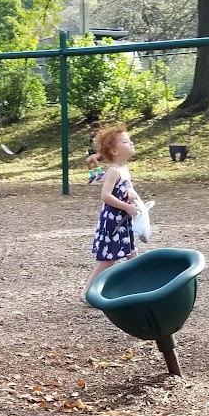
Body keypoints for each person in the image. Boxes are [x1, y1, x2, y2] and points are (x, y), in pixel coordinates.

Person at [86, 123, 145, 292]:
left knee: (132, 253)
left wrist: (131, 193)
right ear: (114, 151)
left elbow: (126, 187)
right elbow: (105, 195)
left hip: (124, 221)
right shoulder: (113, 171)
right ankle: (87, 292)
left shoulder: (124, 169)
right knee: (108, 260)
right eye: (126, 142)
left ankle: (141, 286)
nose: (131, 143)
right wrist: (125, 207)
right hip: (113, 221)